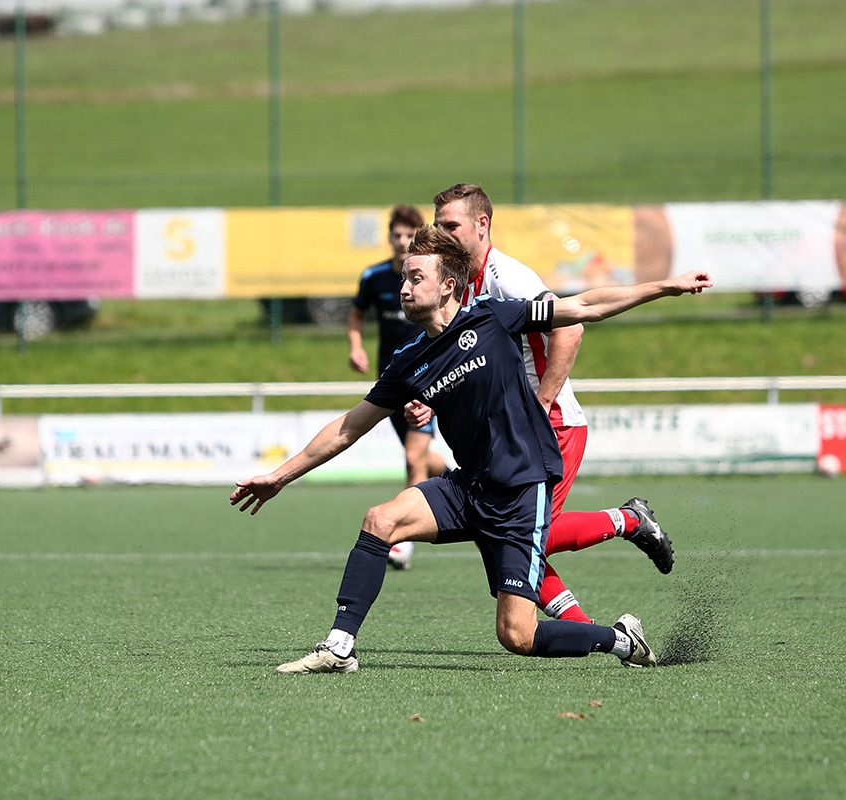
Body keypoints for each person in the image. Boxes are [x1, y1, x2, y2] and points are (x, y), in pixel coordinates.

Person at [231, 225, 712, 673]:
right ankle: (339, 647)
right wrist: (279, 476)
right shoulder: (408, 361)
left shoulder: (493, 316)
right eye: (403, 278)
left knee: (517, 636)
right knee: (381, 519)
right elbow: (348, 427)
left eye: (415, 278)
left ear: (447, 286)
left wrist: (665, 286)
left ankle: (620, 639)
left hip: (521, 492)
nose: (403, 289)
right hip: (469, 487)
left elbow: (584, 306)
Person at [416, 183, 673, 626]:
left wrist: (541, 402)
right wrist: (434, 400)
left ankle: (628, 521)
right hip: (509, 433)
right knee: (499, 538)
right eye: (438, 225)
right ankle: (583, 629)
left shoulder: (507, 278)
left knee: (523, 536)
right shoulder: (460, 283)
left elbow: (570, 328)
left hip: (550, 425)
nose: (443, 234)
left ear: (482, 224)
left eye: (451, 225)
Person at [346, 204, 446, 571]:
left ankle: (404, 540)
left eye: (409, 235)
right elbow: (356, 315)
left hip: (428, 380)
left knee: (413, 458)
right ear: (389, 237)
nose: (402, 241)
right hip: (392, 383)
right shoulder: (373, 277)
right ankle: (459, 478)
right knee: (422, 458)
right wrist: (356, 347)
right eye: (397, 235)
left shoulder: (431, 276)